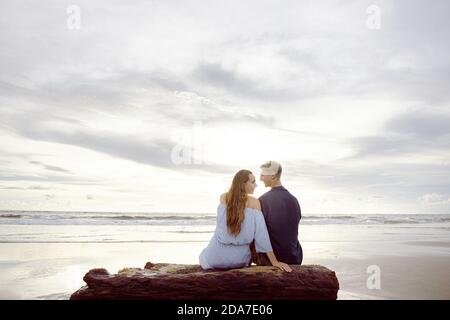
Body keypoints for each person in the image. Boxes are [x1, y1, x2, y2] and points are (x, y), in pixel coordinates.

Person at [199, 169, 292, 272]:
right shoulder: (255, 203)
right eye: (253, 182)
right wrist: (274, 261)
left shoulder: (224, 198)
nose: (256, 185)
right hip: (239, 260)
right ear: (243, 183)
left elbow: (220, 229)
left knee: (203, 254)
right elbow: (262, 236)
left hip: (214, 257)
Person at [251, 161, 303, 266]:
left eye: (263, 175)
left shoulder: (262, 200)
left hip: (274, 259)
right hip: (295, 256)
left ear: (273, 176)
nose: (260, 179)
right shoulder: (294, 200)